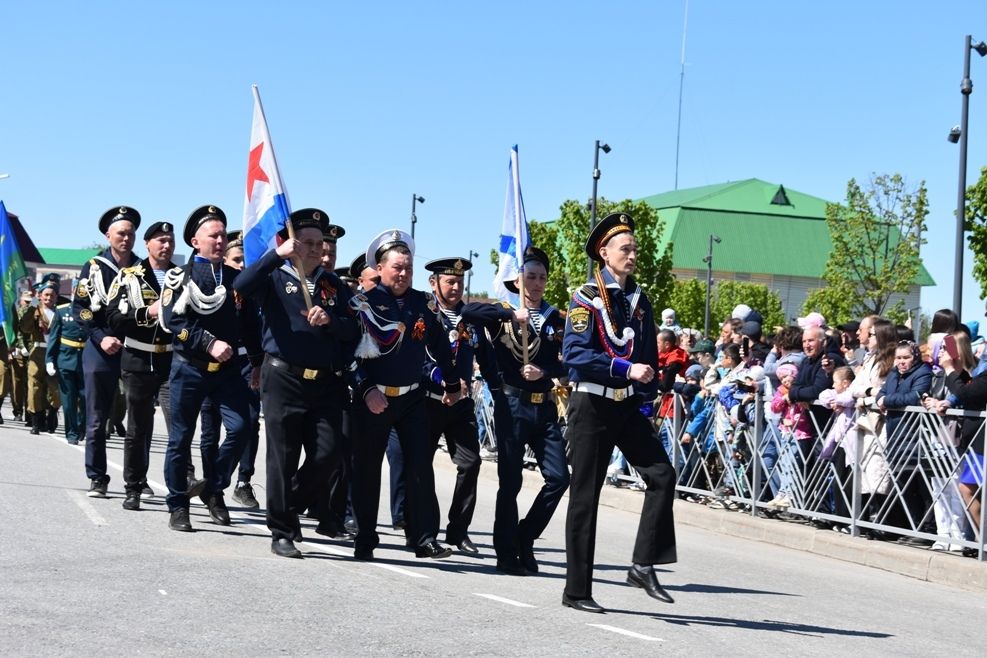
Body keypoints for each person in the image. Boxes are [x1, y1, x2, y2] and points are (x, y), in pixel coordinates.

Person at [561, 212, 676, 614]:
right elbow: (574, 353)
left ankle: (643, 564)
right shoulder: (586, 297)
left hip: (626, 404)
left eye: (635, 248)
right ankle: (576, 590)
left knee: (662, 475)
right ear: (605, 253)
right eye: (625, 248)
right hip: (591, 403)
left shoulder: (640, 300)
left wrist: (645, 397)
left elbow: (647, 357)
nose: (633, 254)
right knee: (585, 496)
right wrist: (626, 369)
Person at [235, 208, 357, 558]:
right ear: (291, 242)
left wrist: (331, 320)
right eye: (308, 242)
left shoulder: (333, 285)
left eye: (321, 243)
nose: (317, 249)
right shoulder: (274, 277)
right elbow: (241, 286)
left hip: (325, 383)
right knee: (283, 456)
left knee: (329, 452)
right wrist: (277, 256)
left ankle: (288, 502)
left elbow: (352, 331)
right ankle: (282, 530)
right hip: (283, 376)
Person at [347, 229, 462, 561]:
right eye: (397, 268)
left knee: (419, 469)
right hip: (374, 400)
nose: (403, 274)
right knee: (368, 470)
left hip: (411, 399)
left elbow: (439, 345)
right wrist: (366, 389)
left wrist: (452, 385)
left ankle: (424, 538)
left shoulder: (419, 304)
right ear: (381, 268)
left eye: (408, 268)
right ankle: (365, 536)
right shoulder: (364, 305)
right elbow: (349, 355)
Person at [461, 246, 570, 575]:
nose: (536, 284)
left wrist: (546, 373)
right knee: (510, 482)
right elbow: (469, 314)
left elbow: (564, 362)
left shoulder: (555, 318)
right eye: (530, 277)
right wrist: (511, 316)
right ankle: (506, 552)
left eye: (541, 278)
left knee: (559, 478)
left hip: (544, 407)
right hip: (512, 406)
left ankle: (526, 537)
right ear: (518, 280)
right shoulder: (504, 313)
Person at [160, 205, 260, 532]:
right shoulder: (180, 276)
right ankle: (178, 503)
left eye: (222, 235)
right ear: (195, 240)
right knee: (180, 438)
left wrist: (257, 363)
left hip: (228, 371)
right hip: (189, 367)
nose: (219, 241)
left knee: (243, 426)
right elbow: (173, 321)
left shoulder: (235, 280)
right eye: (212, 235)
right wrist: (207, 342)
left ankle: (213, 486)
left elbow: (249, 326)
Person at [422, 257, 497, 555]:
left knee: (471, 463)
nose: (455, 288)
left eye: (460, 282)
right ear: (434, 283)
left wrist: (499, 389)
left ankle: (458, 531)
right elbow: (419, 356)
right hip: (429, 401)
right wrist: (444, 381)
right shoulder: (424, 316)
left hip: (461, 406)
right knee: (421, 468)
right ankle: (426, 530)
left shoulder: (470, 320)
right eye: (449, 281)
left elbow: (486, 358)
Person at [103, 221, 178, 510]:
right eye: (160, 240)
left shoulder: (180, 276)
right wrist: (148, 311)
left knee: (179, 425)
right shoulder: (128, 276)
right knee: (138, 429)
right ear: (147, 244)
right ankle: (133, 486)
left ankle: (183, 482)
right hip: (137, 360)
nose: (166, 245)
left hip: (171, 360)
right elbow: (114, 318)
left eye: (170, 240)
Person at [74, 206, 142, 497]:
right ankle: (97, 477)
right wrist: (101, 337)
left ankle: (135, 481)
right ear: (108, 235)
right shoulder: (93, 266)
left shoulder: (142, 266)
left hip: (134, 348)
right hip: (99, 348)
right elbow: (81, 309)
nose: (126, 239)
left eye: (130, 234)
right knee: (97, 417)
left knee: (138, 418)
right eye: (120, 233)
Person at [199, 230, 263, 510]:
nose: (242, 266)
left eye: (245, 262)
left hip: (246, 361)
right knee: (210, 427)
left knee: (247, 424)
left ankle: (242, 481)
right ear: (225, 261)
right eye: (237, 260)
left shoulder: (253, 290)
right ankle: (211, 483)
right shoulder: (214, 286)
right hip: (210, 361)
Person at [46, 290, 87, 444]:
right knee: (68, 401)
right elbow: (54, 337)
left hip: (85, 362)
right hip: (65, 360)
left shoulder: (91, 312)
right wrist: (49, 359)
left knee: (86, 398)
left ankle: (81, 427)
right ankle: (71, 432)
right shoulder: (62, 311)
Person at [19, 281, 61, 435]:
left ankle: (51, 415)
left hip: (55, 354)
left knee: (55, 389)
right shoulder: (34, 311)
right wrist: (31, 311)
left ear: (57, 297)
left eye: (52, 295)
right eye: (46, 295)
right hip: (38, 352)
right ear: (40, 296)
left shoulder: (60, 313)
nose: (49, 297)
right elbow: (24, 328)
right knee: (34, 387)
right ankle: (36, 421)